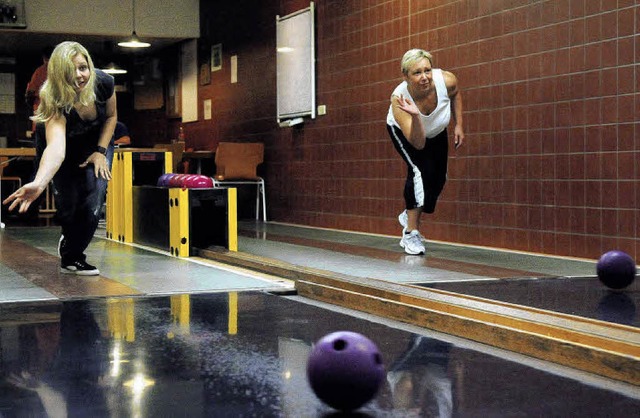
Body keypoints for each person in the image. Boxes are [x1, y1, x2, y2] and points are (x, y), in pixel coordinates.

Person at [3, 41, 116, 275]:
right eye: (69, 71)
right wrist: (40, 182)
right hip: (63, 143)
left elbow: (111, 117)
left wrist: (100, 151)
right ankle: (69, 234)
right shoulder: (53, 98)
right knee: (69, 204)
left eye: (83, 68)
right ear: (57, 73)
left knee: (94, 197)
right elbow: (56, 148)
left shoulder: (103, 82)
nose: (79, 76)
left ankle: (72, 257)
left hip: (96, 144)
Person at [386, 49, 464, 255]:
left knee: (438, 178)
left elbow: (456, 94)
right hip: (409, 133)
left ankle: (408, 213)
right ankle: (410, 233)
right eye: (417, 73)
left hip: (436, 130)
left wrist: (458, 125)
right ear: (406, 76)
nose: (424, 77)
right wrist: (415, 116)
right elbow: (418, 144)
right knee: (419, 173)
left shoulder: (446, 80)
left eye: (427, 70)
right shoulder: (399, 100)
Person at [25, 45, 54, 131]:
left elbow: (30, 92)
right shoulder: (61, 71)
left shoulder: (39, 71)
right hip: (56, 108)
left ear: (44, 58)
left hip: (41, 107)